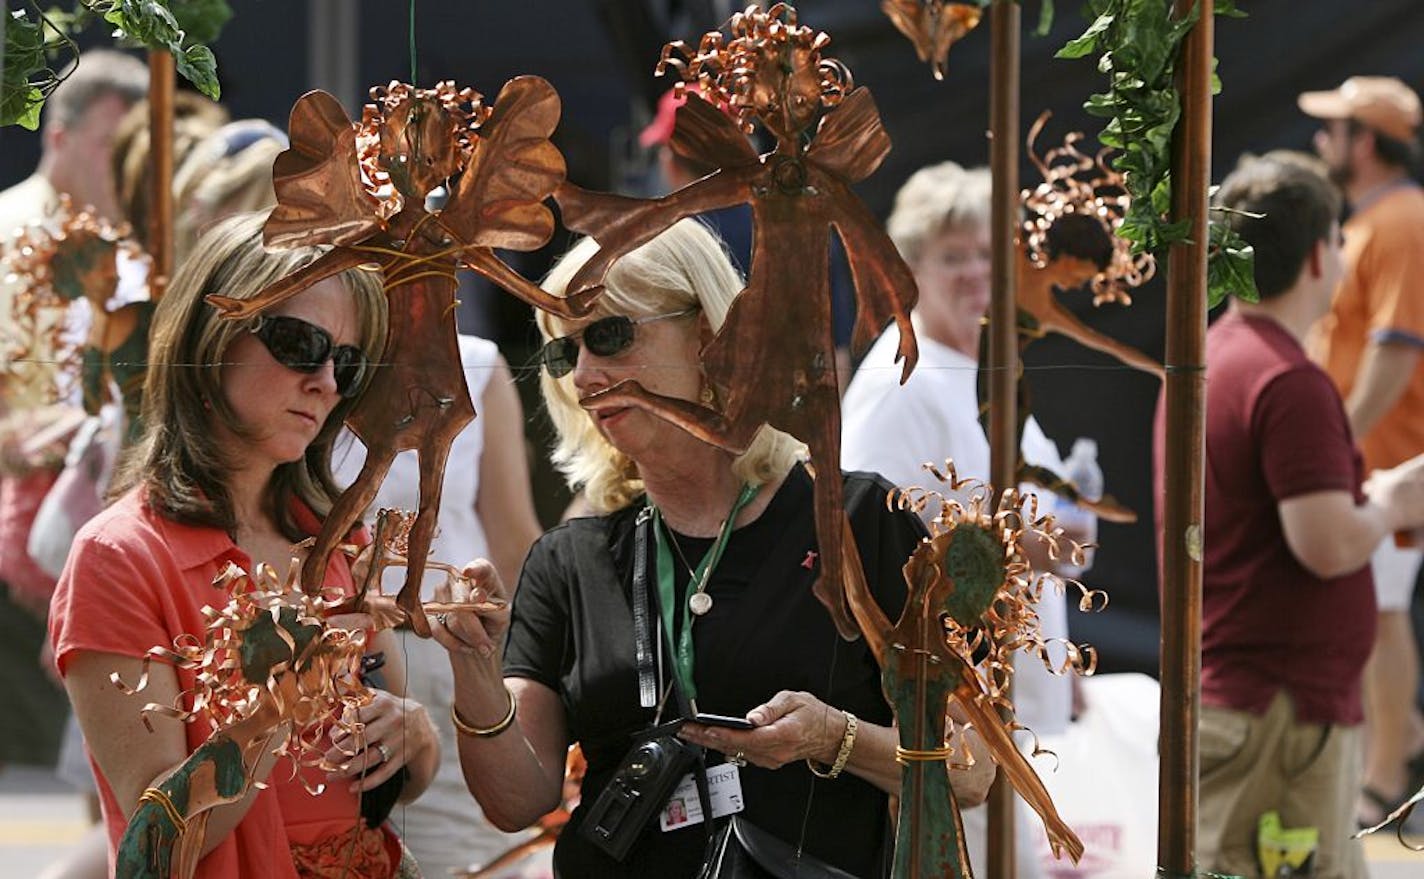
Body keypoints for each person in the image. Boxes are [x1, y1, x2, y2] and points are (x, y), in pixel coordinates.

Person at [431, 219, 995, 878]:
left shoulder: (858, 521)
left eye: (609, 336)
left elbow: (973, 766)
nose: (584, 375)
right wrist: (473, 675)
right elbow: (515, 799)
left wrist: (833, 737)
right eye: (567, 352)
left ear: (710, 334)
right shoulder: (570, 559)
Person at [48, 211, 440, 877]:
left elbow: (388, 773)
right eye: (297, 343)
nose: (326, 381)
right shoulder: (119, 558)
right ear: (213, 336)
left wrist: (415, 736)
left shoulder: (332, 536)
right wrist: (281, 700)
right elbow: (157, 846)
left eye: (347, 361)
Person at [1153, 154, 1424, 877]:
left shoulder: (1218, 355)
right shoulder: (1286, 378)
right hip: (1276, 720)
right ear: (1316, 254)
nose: (1342, 257)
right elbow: (1328, 543)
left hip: (1259, 713)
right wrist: (1392, 501)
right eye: (1338, 240)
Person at [841, 160, 1085, 877]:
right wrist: (1021, 548)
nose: (977, 270)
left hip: (1005, 711)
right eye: (955, 256)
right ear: (910, 268)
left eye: (987, 252)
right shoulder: (900, 385)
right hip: (952, 717)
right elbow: (872, 548)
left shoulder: (978, 367)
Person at [332, 336, 544, 877]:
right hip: (341, 669)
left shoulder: (476, 363)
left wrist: (523, 687)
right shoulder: (311, 358)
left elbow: (516, 545)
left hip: (451, 656)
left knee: (470, 857)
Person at [0, 48, 147, 777]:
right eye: (109, 146)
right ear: (58, 137)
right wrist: (9, 441)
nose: (125, 165)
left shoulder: (140, 250)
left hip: (109, 539)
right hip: (17, 546)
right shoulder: (6, 231)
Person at [1298, 75, 1424, 826]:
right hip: (1376, 459)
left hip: (1390, 461)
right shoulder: (1379, 220)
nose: (1322, 141)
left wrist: (1335, 442)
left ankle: (1383, 780)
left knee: (1380, 613)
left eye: (1335, 128)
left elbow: (1396, 350)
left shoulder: (1403, 219)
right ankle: (1398, 742)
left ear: (1365, 142)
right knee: (1373, 611)